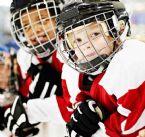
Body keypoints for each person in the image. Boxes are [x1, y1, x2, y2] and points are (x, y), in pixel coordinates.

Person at [57, 0, 145, 137]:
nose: (85, 45)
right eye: (77, 40)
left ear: (119, 28)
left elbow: (130, 130)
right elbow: (71, 115)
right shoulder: (71, 75)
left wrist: (96, 125)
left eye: (95, 34)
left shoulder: (132, 61)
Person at [2, 0, 68, 137]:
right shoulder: (25, 57)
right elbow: (20, 100)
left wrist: (32, 110)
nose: (35, 30)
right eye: (26, 26)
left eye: (42, 20)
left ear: (58, 18)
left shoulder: (76, 51)